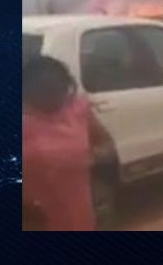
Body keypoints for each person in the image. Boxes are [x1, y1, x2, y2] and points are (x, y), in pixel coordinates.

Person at [22, 55, 115, 231]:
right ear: (28, 92)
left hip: (79, 210)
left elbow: (107, 144)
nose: (55, 98)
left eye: (59, 90)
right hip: (34, 218)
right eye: (45, 92)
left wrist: (90, 158)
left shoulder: (76, 109)